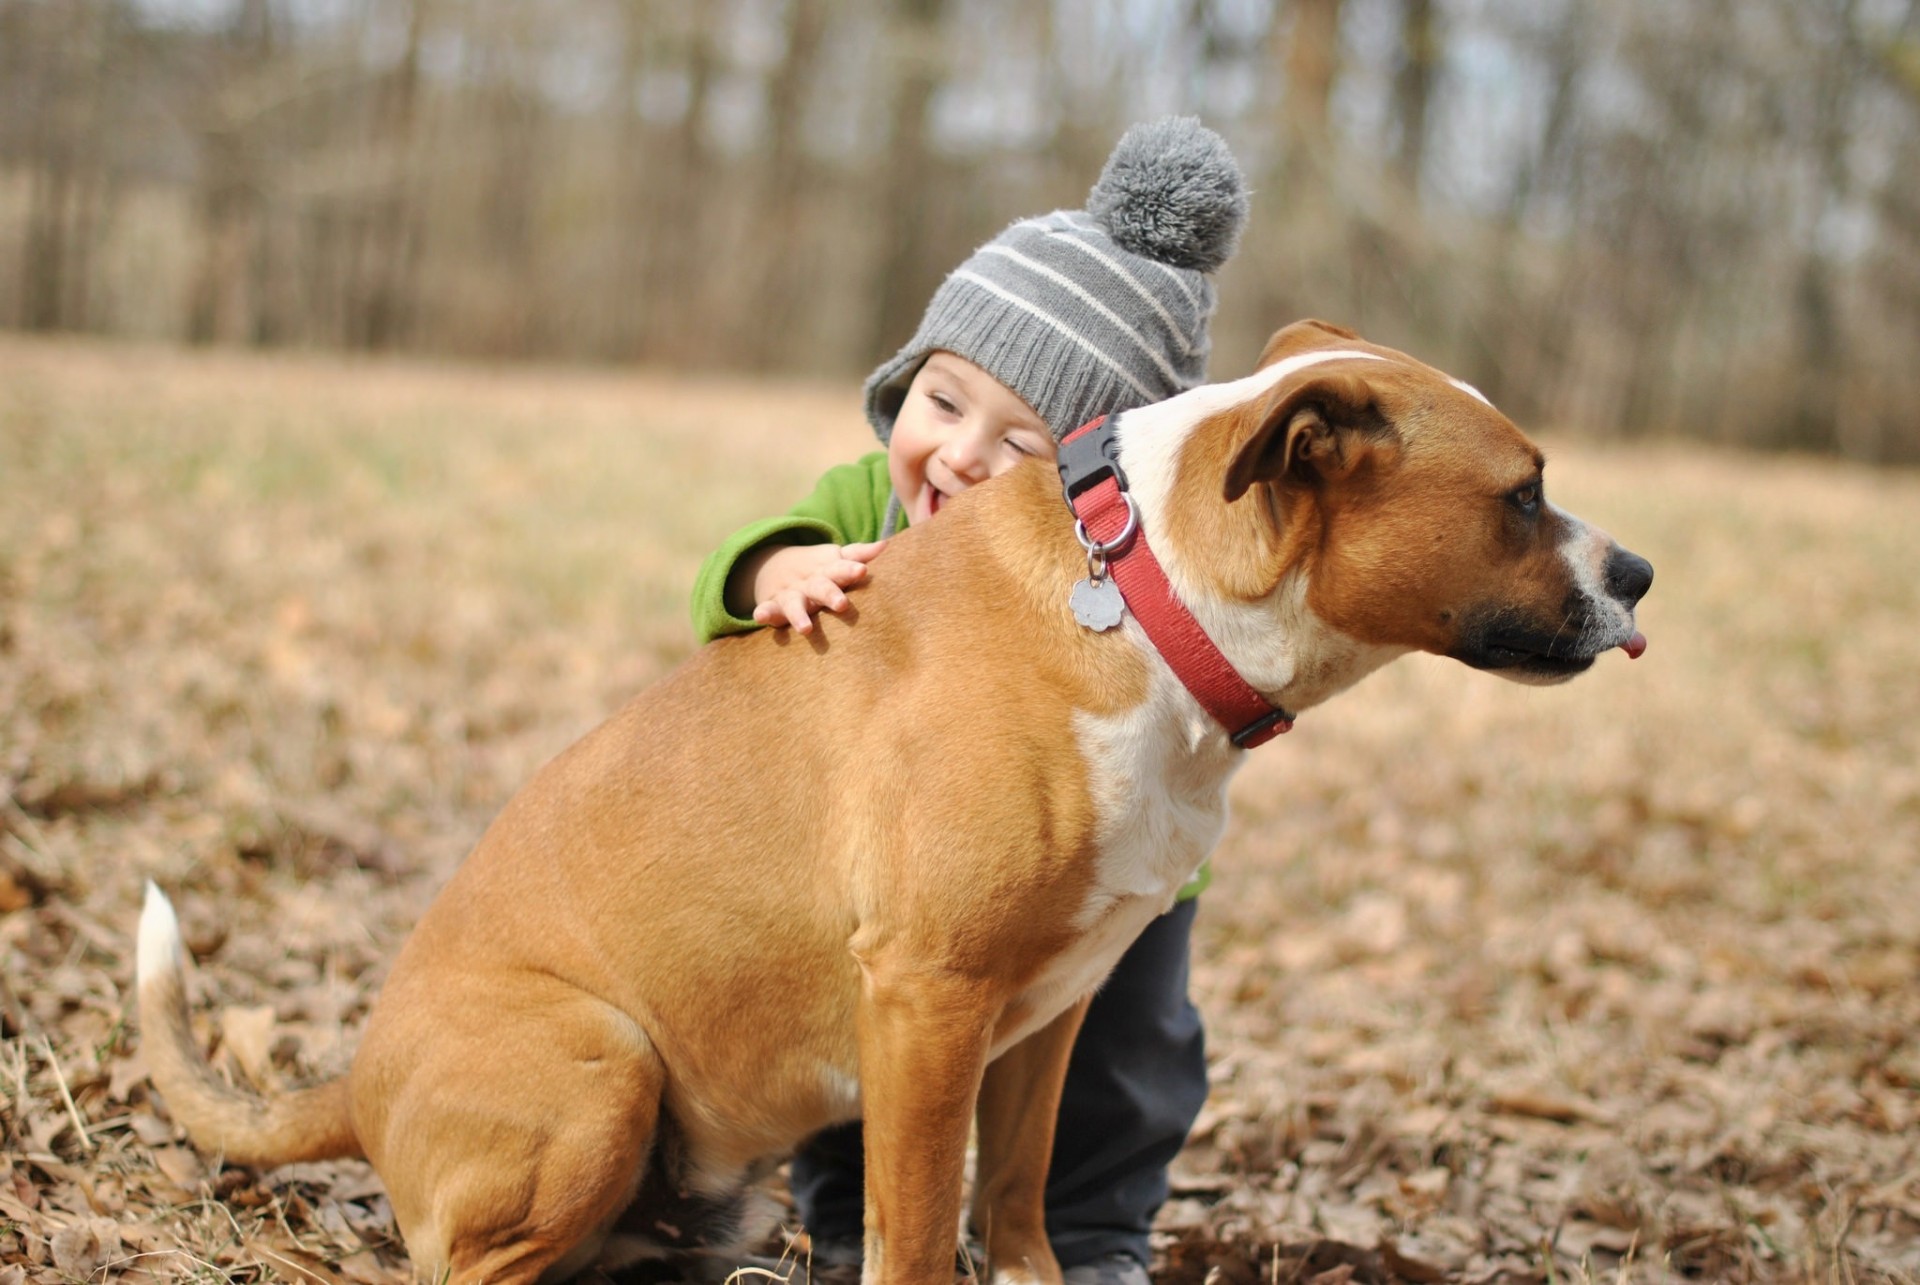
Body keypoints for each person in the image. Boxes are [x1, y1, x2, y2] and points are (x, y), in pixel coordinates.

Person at [689, 117, 1249, 1285]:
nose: (958, 456)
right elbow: (721, 586)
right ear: (904, 386)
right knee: (878, 1022)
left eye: (1022, 445)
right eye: (943, 404)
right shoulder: (866, 510)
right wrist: (774, 570)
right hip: (881, 863)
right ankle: (854, 1224)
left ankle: (1089, 1236)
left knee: (1128, 1057)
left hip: (1103, 862)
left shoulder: (1109, 577)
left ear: (1095, 484)